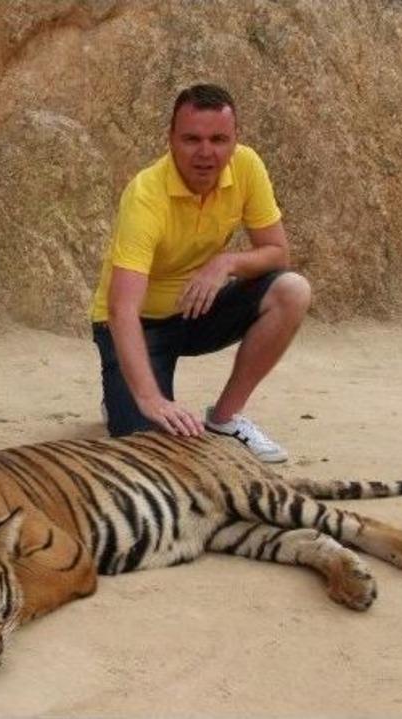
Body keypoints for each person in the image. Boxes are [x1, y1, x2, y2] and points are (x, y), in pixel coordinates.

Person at [89, 83, 311, 463]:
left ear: (235, 140)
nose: (206, 152)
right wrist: (149, 399)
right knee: (150, 451)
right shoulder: (146, 194)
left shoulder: (247, 166)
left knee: (292, 290)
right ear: (171, 139)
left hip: (196, 308)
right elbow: (121, 308)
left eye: (219, 139)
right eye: (192, 139)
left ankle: (225, 418)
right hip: (139, 323)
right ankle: (123, 393)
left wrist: (224, 263)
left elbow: (278, 254)